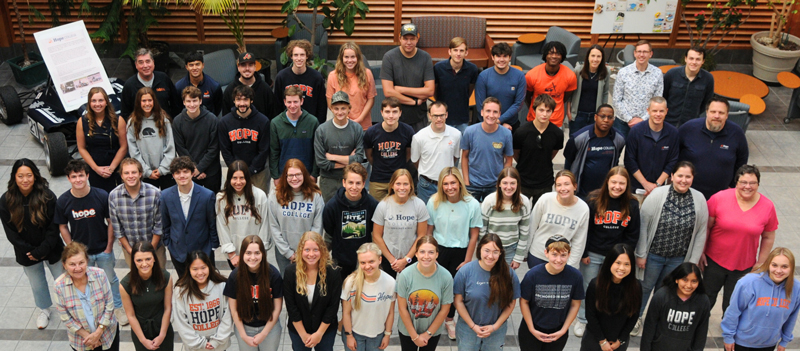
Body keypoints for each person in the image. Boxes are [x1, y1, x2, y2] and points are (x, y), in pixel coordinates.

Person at [633, 161, 708, 335]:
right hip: (653, 256)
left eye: (688, 176)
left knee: (666, 292)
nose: (683, 180)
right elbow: (643, 225)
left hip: (679, 259)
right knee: (644, 288)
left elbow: (701, 233)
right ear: (672, 176)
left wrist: (692, 263)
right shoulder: (657, 194)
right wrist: (641, 253)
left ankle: (656, 321)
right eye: (680, 175)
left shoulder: (699, 199)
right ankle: (636, 318)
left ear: (692, 178)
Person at [55, 160, 127, 326]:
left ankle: (117, 307)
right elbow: (62, 226)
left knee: (110, 279)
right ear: (68, 178)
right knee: (85, 281)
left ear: (87, 176)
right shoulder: (64, 200)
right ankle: (95, 308)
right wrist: (71, 247)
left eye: (81, 175)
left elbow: (111, 222)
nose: (78, 179)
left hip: (103, 249)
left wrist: (109, 247)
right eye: (74, 176)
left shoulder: (101, 195)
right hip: (81, 254)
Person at [700, 164, 778, 314]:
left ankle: (729, 334)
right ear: (736, 183)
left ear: (758, 184)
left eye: (752, 183)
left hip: (744, 266)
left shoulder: (768, 206)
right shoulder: (719, 198)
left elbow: (768, 236)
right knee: (705, 299)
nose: (747, 186)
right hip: (713, 261)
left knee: (734, 304)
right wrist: (701, 251)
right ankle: (698, 329)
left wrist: (761, 262)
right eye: (743, 182)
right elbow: (705, 227)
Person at [574, 166, 640, 336]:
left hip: (617, 255)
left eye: (622, 183)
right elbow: (585, 229)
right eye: (614, 182)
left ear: (627, 185)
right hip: (594, 252)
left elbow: (632, 234)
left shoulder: (632, 204)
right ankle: (582, 320)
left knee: (612, 287)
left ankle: (605, 318)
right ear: (607, 182)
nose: (617, 186)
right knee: (589, 286)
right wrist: (584, 252)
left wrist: (626, 257)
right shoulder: (593, 200)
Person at [0, 159, 64, 329]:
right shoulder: (6, 200)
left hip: (52, 247)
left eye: (29, 175)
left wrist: (43, 249)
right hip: (26, 252)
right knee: (37, 284)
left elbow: (54, 226)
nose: (25, 180)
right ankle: (44, 310)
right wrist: (31, 252)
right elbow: (10, 232)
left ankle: (69, 308)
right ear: (14, 177)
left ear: (35, 176)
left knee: (63, 281)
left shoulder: (48, 196)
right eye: (20, 176)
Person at [426, 167, 482, 339]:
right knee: (436, 287)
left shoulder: (472, 204)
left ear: (459, 183)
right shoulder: (434, 201)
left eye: (453, 183)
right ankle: (431, 318)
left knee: (455, 289)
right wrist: (429, 255)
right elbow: (429, 231)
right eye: (446, 184)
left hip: (461, 251)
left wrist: (467, 260)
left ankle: (449, 320)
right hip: (439, 250)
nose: (450, 187)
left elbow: (474, 236)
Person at [721, 247, 800, 351]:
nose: (778, 271)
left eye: (784, 266)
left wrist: (784, 341)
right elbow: (733, 312)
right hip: (741, 343)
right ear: (768, 264)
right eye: (774, 265)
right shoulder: (748, 283)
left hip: (769, 345)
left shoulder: (796, 288)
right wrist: (728, 337)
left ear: (791, 268)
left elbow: (792, 318)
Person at [453, 234, 520, 350]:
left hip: (496, 331)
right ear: (479, 250)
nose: (490, 256)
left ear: (500, 253)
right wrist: (473, 326)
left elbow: (511, 303)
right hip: (468, 329)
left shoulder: (509, 274)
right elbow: (458, 301)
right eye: (487, 251)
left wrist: (495, 326)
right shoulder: (465, 272)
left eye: (495, 251)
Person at [518, 235, 584, 351]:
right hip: (532, 329)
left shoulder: (575, 276)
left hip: (558, 330)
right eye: (554, 254)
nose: (558, 260)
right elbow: (524, 301)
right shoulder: (533, 275)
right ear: (546, 253)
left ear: (569, 254)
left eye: (563, 255)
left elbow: (575, 304)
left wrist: (563, 330)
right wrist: (532, 329)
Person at [678, 96, 749, 199]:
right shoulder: (688, 129)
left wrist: (733, 186)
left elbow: (742, 162)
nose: (716, 116)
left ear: (727, 115)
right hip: (687, 192)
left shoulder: (737, 133)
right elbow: (673, 154)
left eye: (721, 113)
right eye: (713, 112)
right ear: (707, 112)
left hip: (721, 196)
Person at [283, 232, 343, 351]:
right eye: (307, 250)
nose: (311, 254)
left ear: (322, 250)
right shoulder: (290, 272)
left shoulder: (333, 272)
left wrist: (319, 333)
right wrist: (303, 335)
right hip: (298, 330)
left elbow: (333, 307)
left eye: (316, 250)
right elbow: (291, 307)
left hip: (325, 330)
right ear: (301, 251)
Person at [55, 242, 120, 351]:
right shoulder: (59, 286)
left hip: (107, 335)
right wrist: (89, 337)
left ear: (87, 261)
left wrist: (98, 332)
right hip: (82, 341)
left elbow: (109, 305)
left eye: (81, 263)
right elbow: (65, 317)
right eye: (72, 264)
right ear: (64, 265)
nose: (78, 268)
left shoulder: (100, 274)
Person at [223, 235, 284, 351]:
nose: (252, 257)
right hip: (245, 328)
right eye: (248, 253)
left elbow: (277, 308)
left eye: (257, 253)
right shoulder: (235, 276)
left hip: (270, 327)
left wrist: (264, 334)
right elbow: (234, 309)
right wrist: (243, 335)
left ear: (263, 254)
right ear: (242, 254)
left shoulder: (273, 274)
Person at [160, 156, 219, 275]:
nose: (182, 176)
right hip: (178, 252)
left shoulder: (207, 195)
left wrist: (212, 246)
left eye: (185, 171)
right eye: (178, 172)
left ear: (192, 173)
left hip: (203, 250)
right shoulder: (165, 196)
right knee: (185, 287)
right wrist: (168, 243)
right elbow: (165, 222)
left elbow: (212, 223)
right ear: (173, 175)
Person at [395, 236, 454, 351]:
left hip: (432, 331)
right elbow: (402, 309)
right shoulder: (405, 275)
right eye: (422, 252)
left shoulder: (446, 277)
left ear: (437, 254)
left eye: (431, 252)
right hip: (408, 330)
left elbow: (445, 310)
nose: (426, 256)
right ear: (416, 254)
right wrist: (414, 336)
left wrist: (427, 334)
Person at [580, 244, 641, 351]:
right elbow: (590, 315)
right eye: (618, 263)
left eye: (627, 264)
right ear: (609, 262)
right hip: (595, 338)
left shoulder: (636, 287)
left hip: (619, 340)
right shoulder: (596, 284)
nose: (622, 268)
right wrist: (602, 341)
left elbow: (634, 316)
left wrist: (620, 340)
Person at [323, 163, 379, 278]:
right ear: (344, 183)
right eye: (350, 182)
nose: (354, 187)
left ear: (364, 184)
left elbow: (375, 229)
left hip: (364, 261)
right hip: (341, 261)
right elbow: (329, 228)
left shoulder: (372, 204)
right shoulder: (332, 206)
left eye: (358, 183)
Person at [269, 159, 325, 276]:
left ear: (304, 174)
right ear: (285, 176)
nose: (294, 179)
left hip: (309, 253)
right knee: (288, 287)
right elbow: (274, 227)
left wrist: (305, 251)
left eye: (298, 174)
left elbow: (317, 227)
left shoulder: (315, 196)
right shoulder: (275, 196)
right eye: (290, 175)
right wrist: (289, 253)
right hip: (284, 253)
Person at [109, 158, 167, 268]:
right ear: (121, 175)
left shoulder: (155, 193)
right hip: (130, 249)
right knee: (137, 282)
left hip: (155, 249)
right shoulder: (113, 196)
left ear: (140, 174)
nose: (130, 176)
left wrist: (150, 251)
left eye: (134, 172)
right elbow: (117, 229)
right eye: (126, 173)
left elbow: (159, 226)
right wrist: (131, 251)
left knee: (160, 281)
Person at [526, 170, 590, 269]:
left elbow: (579, 241)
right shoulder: (545, 199)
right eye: (559, 185)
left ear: (575, 186)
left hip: (562, 260)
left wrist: (571, 266)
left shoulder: (583, 208)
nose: (562, 188)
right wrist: (525, 253)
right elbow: (531, 227)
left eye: (567, 184)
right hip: (538, 255)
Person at [372, 168, 429, 278]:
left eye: (405, 184)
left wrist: (406, 259)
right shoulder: (383, 205)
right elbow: (377, 236)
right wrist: (392, 260)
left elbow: (421, 235)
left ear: (411, 186)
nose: (402, 188)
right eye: (398, 184)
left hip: (411, 258)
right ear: (392, 185)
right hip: (388, 259)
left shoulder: (419, 205)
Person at [639, 263, 710, 351]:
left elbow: (701, 332)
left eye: (694, 281)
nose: (688, 285)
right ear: (676, 279)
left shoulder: (703, 301)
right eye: (685, 280)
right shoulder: (661, 296)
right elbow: (649, 328)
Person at [172, 250, 233, 351]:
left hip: (218, 347)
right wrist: (200, 344)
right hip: (195, 348)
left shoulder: (222, 286)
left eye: (203, 268)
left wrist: (216, 341)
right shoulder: (181, 291)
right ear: (189, 269)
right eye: (195, 269)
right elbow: (181, 322)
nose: (200, 273)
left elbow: (228, 317)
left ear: (209, 267)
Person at [340, 243, 396, 351]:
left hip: (377, 335)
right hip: (355, 333)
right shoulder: (350, 282)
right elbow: (346, 313)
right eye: (363, 262)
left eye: (371, 261)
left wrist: (387, 334)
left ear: (379, 260)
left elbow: (390, 312)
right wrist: (349, 335)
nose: (367, 266)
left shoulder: (390, 283)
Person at [120, 242, 174, 351]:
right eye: (139, 260)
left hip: (162, 327)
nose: (144, 264)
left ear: (154, 258)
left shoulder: (166, 278)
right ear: (133, 261)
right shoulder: (125, 284)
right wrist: (143, 340)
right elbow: (130, 315)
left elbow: (168, 308)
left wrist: (162, 335)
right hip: (141, 331)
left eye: (148, 259)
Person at [380, 23, 435, 132]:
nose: (409, 42)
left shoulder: (425, 57)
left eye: (412, 39)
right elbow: (388, 92)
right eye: (405, 38)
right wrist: (414, 102)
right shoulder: (389, 57)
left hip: (419, 117)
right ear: (399, 38)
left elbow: (430, 90)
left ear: (417, 38)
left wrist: (400, 89)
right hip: (395, 118)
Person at [216, 161, 271, 270]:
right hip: (234, 255)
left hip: (256, 254)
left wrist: (258, 252)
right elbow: (222, 227)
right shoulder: (221, 198)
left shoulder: (260, 196)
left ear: (247, 178)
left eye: (242, 178)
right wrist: (231, 254)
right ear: (229, 179)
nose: (238, 182)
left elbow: (265, 226)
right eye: (234, 178)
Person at [219, 85, 272, 194]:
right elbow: (225, 150)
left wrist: (251, 170)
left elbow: (264, 150)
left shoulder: (263, 121)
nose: (242, 103)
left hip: (258, 172)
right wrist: (237, 170)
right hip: (235, 172)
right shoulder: (224, 122)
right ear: (233, 101)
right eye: (238, 99)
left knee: (259, 204)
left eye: (245, 99)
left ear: (251, 100)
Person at [314, 91, 366, 202]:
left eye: (343, 108)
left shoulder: (357, 129)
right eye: (336, 108)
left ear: (349, 109)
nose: (340, 112)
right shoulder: (322, 130)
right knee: (329, 213)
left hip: (351, 180)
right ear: (331, 109)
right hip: (328, 180)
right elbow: (321, 162)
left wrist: (332, 157)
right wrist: (349, 160)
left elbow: (359, 158)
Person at [563, 104, 625, 198]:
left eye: (610, 117)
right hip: (581, 193)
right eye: (602, 116)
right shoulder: (578, 138)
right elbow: (568, 162)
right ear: (595, 117)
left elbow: (616, 160)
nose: (606, 120)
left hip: (605, 194)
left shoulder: (619, 139)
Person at [460, 97, 514, 202]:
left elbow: (508, 159)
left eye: (495, 112)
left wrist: (502, 181)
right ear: (481, 112)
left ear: (499, 114)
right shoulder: (469, 131)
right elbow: (465, 157)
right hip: (472, 184)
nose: (491, 115)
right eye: (488, 111)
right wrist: (466, 182)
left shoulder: (506, 134)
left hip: (495, 185)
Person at [513, 94, 563, 204]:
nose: (544, 114)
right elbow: (516, 153)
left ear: (552, 112)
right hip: (523, 180)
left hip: (545, 182)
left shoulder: (557, 134)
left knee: (541, 216)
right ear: (534, 110)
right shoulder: (521, 132)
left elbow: (551, 154)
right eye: (541, 110)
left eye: (548, 111)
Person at [76, 87, 128, 193]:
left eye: (101, 100)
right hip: (95, 169)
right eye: (94, 101)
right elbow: (81, 148)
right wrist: (96, 168)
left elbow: (123, 146)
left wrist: (111, 168)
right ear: (89, 103)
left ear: (106, 102)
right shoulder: (82, 121)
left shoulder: (119, 120)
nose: (97, 104)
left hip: (115, 168)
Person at [624, 97, 679, 196]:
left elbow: (672, 161)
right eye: (654, 111)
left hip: (660, 189)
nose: (658, 114)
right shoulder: (636, 131)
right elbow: (629, 160)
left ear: (666, 111)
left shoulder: (673, 133)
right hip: (635, 188)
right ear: (648, 111)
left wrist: (657, 185)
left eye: (661, 111)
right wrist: (645, 184)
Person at [363, 97, 415, 200]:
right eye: (387, 112)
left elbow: (408, 154)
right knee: (376, 211)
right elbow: (370, 156)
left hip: (400, 179)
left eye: (394, 112)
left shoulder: (407, 131)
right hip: (378, 180)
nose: (391, 116)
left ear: (400, 113)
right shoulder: (371, 132)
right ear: (381, 112)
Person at [480, 167, 532, 269]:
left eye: (512, 183)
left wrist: (518, 257)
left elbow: (524, 232)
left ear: (518, 184)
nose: (509, 187)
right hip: (491, 249)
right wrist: (482, 252)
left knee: (506, 282)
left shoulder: (524, 202)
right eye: (505, 183)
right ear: (499, 184)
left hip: (511, 249)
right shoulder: (489, 201)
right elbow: (482, 229)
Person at [411, 101, 462, 204]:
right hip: (426, 185)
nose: (439, 119)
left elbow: (455, 157)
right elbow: (415, 160)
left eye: (442, 115)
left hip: (448, 185)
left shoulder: (456, 134)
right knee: (425, 217)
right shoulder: (419, 137)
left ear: (446, 115)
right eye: (435, 116)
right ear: (429, 116)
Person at [173, 86, 222, 192]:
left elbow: (214, 148)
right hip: (190, 172)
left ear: (200, 101)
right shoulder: (177, 122)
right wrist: (194, 169)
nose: (192, 105)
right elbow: (181, 148)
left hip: (211, 172)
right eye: (188, 101)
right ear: (184, 103)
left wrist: (200, 168)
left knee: (213, 204)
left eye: (195, 101)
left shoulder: (212, 120)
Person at [127, 86, 177, 190]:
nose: (147, 104)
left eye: (150, 100)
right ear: (138, 102)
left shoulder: (164, 120)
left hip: (165, 172)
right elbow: (133, 151)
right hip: (145, 174)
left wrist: (162, 169)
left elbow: (170, 147)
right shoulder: (132, 123)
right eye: (143, 101)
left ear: (154, 101)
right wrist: (146, 171)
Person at [612, 40, 664, 139]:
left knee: (641, 153)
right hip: (623, 122)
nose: (641, 55)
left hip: (646, 123)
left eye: (645, 52)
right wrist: (629, 119)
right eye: (639, 51)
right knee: (616, 151)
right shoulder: (623, 72)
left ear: (651, 54)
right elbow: (616, 99)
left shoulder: (657, 74)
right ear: (635, 53)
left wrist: (642, 119)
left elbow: (657, 100)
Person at [270, 86, 321, 184]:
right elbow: (274, 152)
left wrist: (314, 174)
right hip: (284, 175)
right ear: (284, 102)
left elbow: (317, 151)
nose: (292, 105)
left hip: (307, 175)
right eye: (289, 102)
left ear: (301, 101)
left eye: (295, 102)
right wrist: (276, 176)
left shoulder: (312, 122)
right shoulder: (276, 123)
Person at [525, 41, 578, 128]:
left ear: (562, 56)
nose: (554, 56)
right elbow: (527, 97)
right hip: (534, 119)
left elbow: (565, 97)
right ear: (545, 55)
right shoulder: (532, 75)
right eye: (551, 53)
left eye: (558, 54)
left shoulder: (570, 76)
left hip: (556, 122)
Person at [474, 42, 526, 130]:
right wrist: (497, 123)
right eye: (498, 56)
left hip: (510, 125)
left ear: (510, 58)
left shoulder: (519, 76)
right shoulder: (483, 76)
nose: (501, 60)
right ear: (492, 57)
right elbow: (480, 105)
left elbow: (518, 104)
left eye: (505, 56)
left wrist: (500, 120)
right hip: (486, 123)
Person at [326, 41, 377, 131]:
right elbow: (330, 102)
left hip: (363, 126)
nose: (350, 60)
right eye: (346, 57)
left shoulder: (367, 74)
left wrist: (359, 119)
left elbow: (371, 99)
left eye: (353, 57)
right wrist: (345, 118)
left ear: (358, 58)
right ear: (341, 58)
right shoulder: (332, 76)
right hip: (341, 124)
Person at [275, 39, 328, 124]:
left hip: (310, 124)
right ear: (291, 56)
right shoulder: (282, 77)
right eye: (296, 55)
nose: (299, 58)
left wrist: (319, 126)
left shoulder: (316, 78)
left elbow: (322, 106)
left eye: (302, 55)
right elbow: (277, 105)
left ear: (307, 56)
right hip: (287, 123)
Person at [433, 37, 480, 133]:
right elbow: (435, 91)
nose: (458, 54)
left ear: (466, 53)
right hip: (442, 117)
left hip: (462, 117)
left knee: (461, 146)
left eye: (461, 51)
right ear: (449, 51)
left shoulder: (472, 69)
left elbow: (469, 90)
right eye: (455, 50)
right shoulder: (438, 68)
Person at [121, 48, 181, 118]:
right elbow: (125, 113)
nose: (145, 66)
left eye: (148, 61)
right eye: (141, 62)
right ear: (136, 65)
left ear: (153, 62)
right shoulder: (129, 85)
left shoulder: (164, 78)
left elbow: (176, 105)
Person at [663, 47, 714, 127]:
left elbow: (707, 102)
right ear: (686, 59)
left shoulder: (708, 78)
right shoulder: (672, 74)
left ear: (703, 61)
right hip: (668, 121)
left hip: (691, 124)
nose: (694, 62)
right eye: (691, 58)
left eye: (698, 59)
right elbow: (663, 96)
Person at [567, 44, 610, 133]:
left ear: (602, 58)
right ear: (588, 57)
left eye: (598, 56)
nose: (595, 59)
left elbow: (605, 93)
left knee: (591, 143)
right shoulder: (578, 70)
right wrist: (569, 112)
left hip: (595, 116)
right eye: (593, 56)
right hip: (578, 115)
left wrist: (603, 113)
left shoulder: (606, 71)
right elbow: (570, 93)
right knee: (575, 143)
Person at [222, 51, 279, 118]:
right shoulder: (230, 90)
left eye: (250, 65)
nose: (247, 68)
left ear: (255, 67)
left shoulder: (265, 90)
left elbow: (272, 116)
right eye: (243, 65)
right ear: (238, 68)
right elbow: (226, 118)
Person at [175, 51, 224, 116]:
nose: (195, 68)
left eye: (197, 64)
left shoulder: (214, 86)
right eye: (191, 65)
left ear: (203, 65)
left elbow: (217, 108)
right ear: (186, 67)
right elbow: (177, 109)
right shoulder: (179, 87)